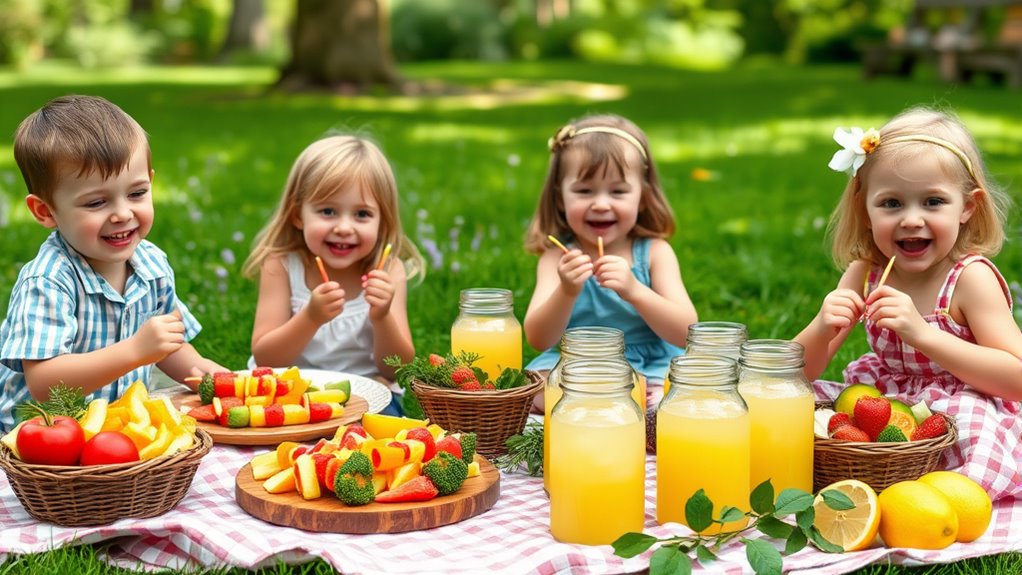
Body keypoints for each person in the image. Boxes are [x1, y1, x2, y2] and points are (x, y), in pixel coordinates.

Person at [796, 106, 1022, 500]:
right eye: (892, 203)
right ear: (864, 209)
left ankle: (940, 499)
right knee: (801, 411)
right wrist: (821, 327)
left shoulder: (970, 279)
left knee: (971, 429)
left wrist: (923, 335)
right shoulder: (864, 272)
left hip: (963, 404)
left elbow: (1016, 380)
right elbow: (795, 374)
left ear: (967, 207)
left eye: (933, 202)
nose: (912, 219)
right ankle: (868, 482)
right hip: (884, 406)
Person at [0, 95, 225, 433]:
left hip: (118, 431)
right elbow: (44, 384)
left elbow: (169, 348)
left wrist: (218, 382)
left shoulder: (152, 265)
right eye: (96, 202)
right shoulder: (48, 281)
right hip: (43, 440)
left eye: (137, 193)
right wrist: (135, 350)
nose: (123, 214)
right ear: (45, 212)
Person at [523, 114, 698, 409]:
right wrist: (566, 291)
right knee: (533, 389)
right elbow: (539, 338)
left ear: (642, 195)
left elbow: (687, 332)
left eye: (618, 191)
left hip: (648, 365)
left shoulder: (655, 252)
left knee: (676, 389)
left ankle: (613, 404)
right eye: (583, 191)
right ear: (560, 198)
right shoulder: (555, 258)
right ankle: (617, 405)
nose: (601, 204)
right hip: (575, 364)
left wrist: (634, 290)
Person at [243, 134, 422, 410]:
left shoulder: (388, 269)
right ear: (298, 215)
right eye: (328, 211)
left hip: (368, 397)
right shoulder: (280, 264)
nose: (344, 227)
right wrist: (310, 317)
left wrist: (382, 316)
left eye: (362, 214)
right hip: (294, 397)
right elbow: (268, 359)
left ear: (382, 220)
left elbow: (397, 370)